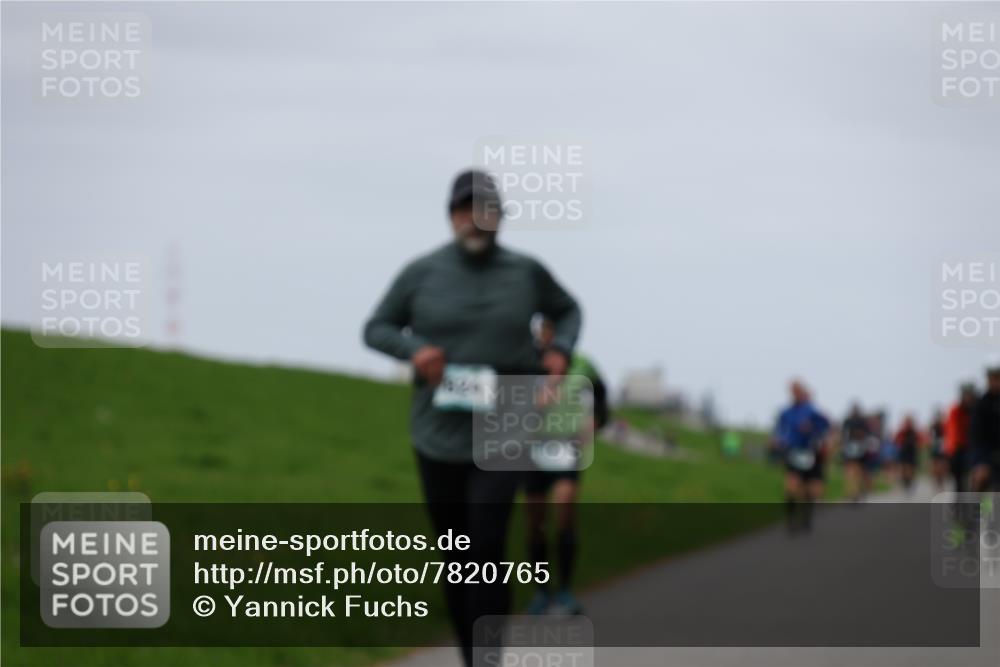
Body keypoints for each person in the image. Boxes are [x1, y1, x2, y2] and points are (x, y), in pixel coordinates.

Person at [362, 169, 582, 667]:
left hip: (505, 418)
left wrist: (561, 351)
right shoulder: (421, 273)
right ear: (452, 216)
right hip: (437, 432)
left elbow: (568, 310)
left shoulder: (526, 272)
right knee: (457, 553)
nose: (475, 219)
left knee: (485, 545)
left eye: (486, 209)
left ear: (499, 217)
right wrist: (415, 351)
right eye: (466, 209)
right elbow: (375, 328)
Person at [523, 317, 608, 616]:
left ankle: (565, 591)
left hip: (565, 447)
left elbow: (601, 395)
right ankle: (541, 592)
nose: (548, 336)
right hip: (532, 449)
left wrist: (595, 421)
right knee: (535, 524)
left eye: (553, 330)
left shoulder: (583, 363)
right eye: (544, 330)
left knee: (565, 513)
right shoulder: (526, 361)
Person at [772, 380, 831, 533]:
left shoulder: (812, 410)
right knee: (791, 485)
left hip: (810, 452)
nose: (795, 393)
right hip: (793, 452)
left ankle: (806, 517)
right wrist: (778, 440)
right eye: (792, 391)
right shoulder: (786, 411)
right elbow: (780, 429)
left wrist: (812, 428)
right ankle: (790, 520)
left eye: (797, 390)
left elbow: (826, 425)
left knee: (809, 489)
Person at [970, 364, 1000, 493]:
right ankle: (982, 510)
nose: (996, 382)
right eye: (993, 378)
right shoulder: (981, 403)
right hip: (986, 452)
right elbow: (977, 435)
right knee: (981, 477)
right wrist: (981, 461)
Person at [944, 384, 978, 493]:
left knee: (980, 480)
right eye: (966, 394)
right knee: (959, 480)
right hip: (959, 448)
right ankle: (960, 504)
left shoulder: (978, 408)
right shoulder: (955, 410)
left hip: (976, 447)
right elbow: (952, 431)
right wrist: (953, 449)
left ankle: (984, 508)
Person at [840, 403, 871, 501]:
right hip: (850, 449)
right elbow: (843, 434)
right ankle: (852, 492)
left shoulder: (862, 422)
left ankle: (855, 491)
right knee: (851, 471)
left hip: (860, 449)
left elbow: (867, 435)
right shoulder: (848, 421)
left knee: (857, 472)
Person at [894, 415, 921, 492]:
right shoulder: (902, 431)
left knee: (910, 468)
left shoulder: (914, 432)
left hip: (911, 452)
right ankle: (905, 482)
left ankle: (909, 482)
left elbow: (920, 440)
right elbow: (896, 440)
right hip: (904, 452)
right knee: (904, 468)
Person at [928, 409, 948, 492]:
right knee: (935, 468)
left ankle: (941, 483)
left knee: (941, 468)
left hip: (942, 448)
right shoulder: (933, 426)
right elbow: (930, 438)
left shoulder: (944, 426)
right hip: (934, 449)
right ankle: (937, 482)